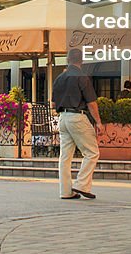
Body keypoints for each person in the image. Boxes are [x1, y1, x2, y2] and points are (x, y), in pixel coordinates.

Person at [51, 47, 103, 200]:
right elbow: (92, 103)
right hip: (77, 116)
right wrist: (98, 122)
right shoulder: (82, 77)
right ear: (82, 60)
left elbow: (53, 103)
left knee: (65, 157)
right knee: (92, 152)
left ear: (67, 60)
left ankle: (65, 192)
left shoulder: (59, 78)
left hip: (63, 118)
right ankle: (81, 184)